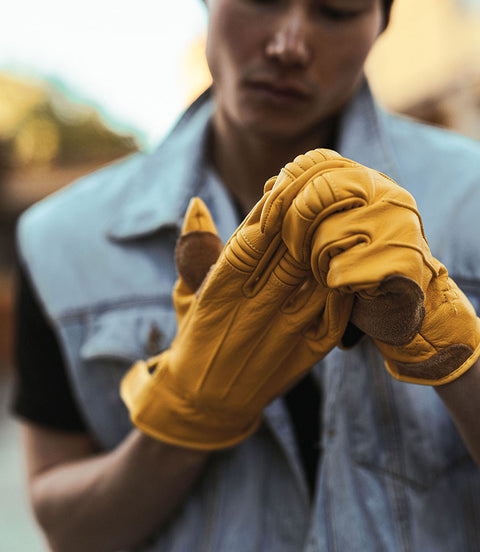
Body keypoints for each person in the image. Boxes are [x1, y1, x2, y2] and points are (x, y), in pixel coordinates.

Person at [11, 0, 480, 550]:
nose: (288, 45)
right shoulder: (62, 240)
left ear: (382, 23)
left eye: (336, 11)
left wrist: (456, 358)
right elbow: (69, 530)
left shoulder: (471, 200)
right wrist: (184, 420)